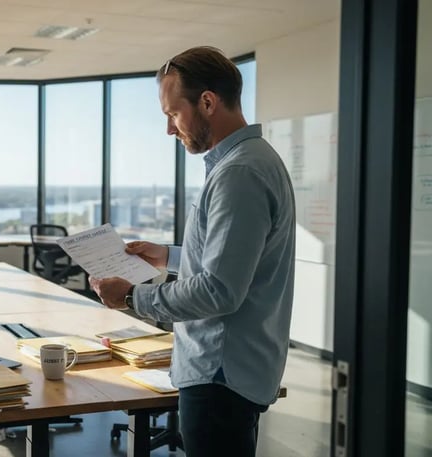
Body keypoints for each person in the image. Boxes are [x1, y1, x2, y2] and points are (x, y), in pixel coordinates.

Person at [89, 46, 296, 457]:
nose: (170, 129)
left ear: (206, 102)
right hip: (232, 369)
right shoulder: (251, 160)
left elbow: (219, 290)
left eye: (173, 114)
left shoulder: (239, 173)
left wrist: (131, 296)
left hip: (220, 375)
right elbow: (236, 261)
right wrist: (167, 256)